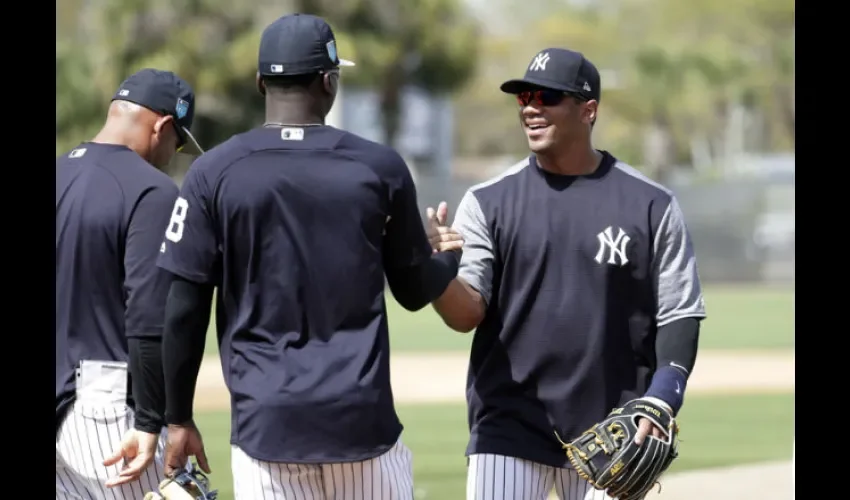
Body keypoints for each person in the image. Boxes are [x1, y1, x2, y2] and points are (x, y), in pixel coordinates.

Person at [154, 13, 463, 500]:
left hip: (266, 425)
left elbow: (183, 310)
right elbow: (411, 290)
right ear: (329, 80)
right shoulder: (378, 167)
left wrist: (177, 418)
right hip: (361, 421)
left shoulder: (213, 171)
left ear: (261, 82)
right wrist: (448, 257)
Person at [427, 47, 707, 500]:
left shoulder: (651, 205)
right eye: (524, 98)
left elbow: (679, 311)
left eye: (547, 97)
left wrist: (662, 399)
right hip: (508, 428)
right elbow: (466, 313)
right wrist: (436, 272)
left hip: (616, 434)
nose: (531, 108)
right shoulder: (488, 201)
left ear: (589, 109)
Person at [56, 68, 203, 499]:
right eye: (177, 141)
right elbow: (149, 320)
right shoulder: (151, 191)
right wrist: (155, 419)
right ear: (162, 124)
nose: (173, 153)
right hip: (108, 412)